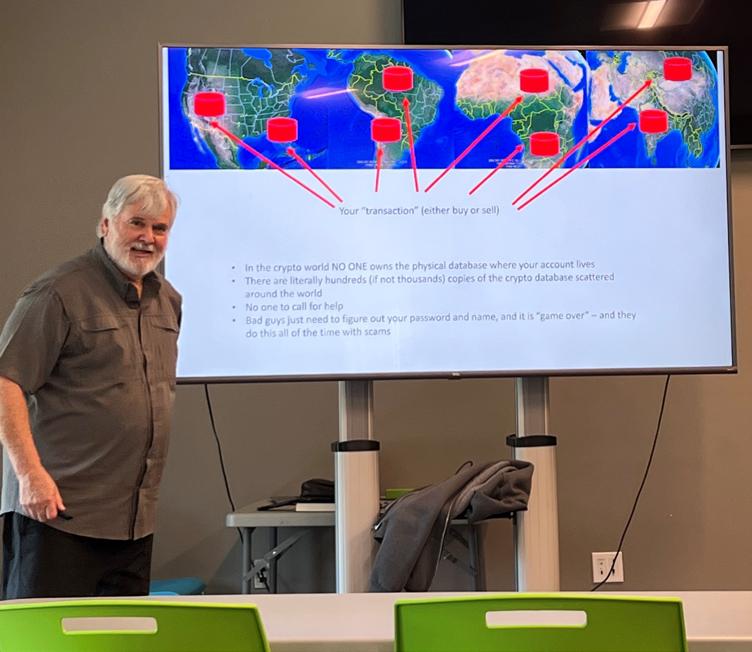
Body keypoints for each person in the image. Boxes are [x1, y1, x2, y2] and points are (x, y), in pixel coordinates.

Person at [0, 174, 181, 599]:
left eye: (160, 228)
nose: (148, 238)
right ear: (105, 224)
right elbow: (7, 382)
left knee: (120, 634)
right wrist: (30, 475)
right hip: (56, 516)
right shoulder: (57, 293)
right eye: (136, 223)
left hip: (133, 524)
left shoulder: (167, 300)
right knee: (46, 635)